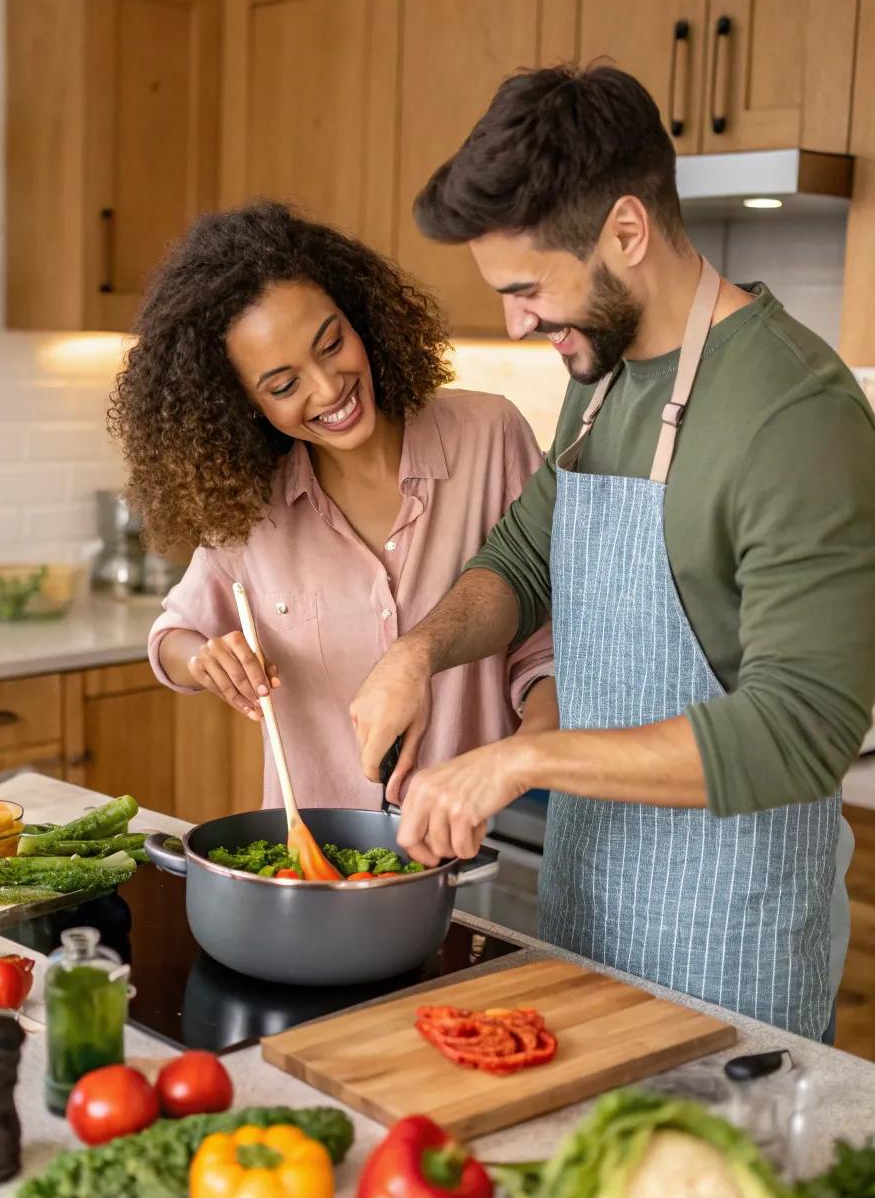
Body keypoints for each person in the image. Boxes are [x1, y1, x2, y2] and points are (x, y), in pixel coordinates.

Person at [351, 65, 875, 1040]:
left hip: (729, 952)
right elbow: (522, 555)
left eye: (526, 288)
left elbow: (806, 731)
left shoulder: (793, 412)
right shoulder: (603, 377)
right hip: (588, 914)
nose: (514, 321)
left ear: (625, 233)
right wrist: (415, 651)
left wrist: (517, 759)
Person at [108, 200, 554, 812]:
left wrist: (522, 763)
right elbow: (171, 638)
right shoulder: (251, 509)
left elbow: (552, 646)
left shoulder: (490, 437)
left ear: (359, 314)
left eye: (332, 342)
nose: (329, 388)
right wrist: (206, 659)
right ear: (242, 405)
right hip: (319, 872)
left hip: (478, 855)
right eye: (284, 385)